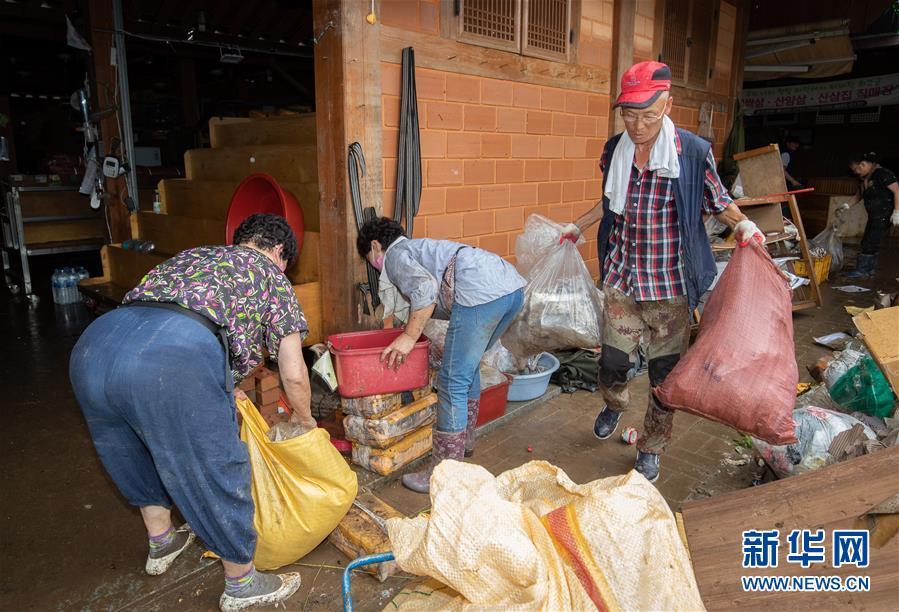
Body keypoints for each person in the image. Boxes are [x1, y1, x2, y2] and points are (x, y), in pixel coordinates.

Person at [70, 214, 314, 611]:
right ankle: (242, 583)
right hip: (172, 359)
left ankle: (162, 542)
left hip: (95, 346)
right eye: (287, 261)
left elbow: (177, 317)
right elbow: (293, 370)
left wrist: (217, 378)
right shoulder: (271, 274)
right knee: (213, 464)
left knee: (129, 449)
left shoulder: (195, 255)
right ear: (279, 252)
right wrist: (304, 419)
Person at [560, 61, 761, 483]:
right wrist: (577, 226)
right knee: (613, 361)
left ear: (668, 105)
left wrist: (742, 222)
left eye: (647, 115)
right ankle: (614, 404)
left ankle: (652, 446)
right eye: (629, 115)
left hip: (670, 286)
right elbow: (610, 201)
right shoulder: (614, 149)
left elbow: (718, 200)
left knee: (663, 376)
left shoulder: (692, 152)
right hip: (622, 278)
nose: (637, 125)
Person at [356, 218, 525, 493]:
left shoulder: (396, 254)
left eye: (370, 257)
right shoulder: (420, 248)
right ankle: (464, 446)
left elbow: (424, 290)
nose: (374, 264)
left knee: (451, 381)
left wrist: (408, 337)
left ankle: (443, 474)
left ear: (376, 246)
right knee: (466, 370)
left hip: (482, 293)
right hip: (512, 290)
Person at [839, 152, 899, 279]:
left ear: (863, 164)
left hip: (884, 214)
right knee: (870, 241)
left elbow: (897, 191)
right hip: (874, 215)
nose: (855, 172)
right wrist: (846, 206)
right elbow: (858, 196)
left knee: (869, 242)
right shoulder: (865, 178)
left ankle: (863, 271)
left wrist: (897, 212)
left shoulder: (883, 174)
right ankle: (869, 270)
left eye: (856, 169)